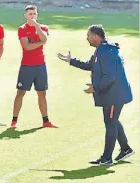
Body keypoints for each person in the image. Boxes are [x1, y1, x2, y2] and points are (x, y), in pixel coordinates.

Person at [58, 24, 135, 165]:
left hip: (114, 95)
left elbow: (109, 76)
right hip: (113, 93)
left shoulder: (106, 51)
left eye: (88, 35)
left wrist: (95, 87)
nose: (86, 38)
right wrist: (71, 61)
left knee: (110, 122)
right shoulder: (102, 49)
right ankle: (125, 149)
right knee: (113, 120)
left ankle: (107, 158)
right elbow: (90, 65)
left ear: (95, 36)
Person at [11, 5, 57, 129]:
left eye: (34, 14)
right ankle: (14, 121)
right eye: (30, 14)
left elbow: (44, 38)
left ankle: (46, 120)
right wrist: (41, 43)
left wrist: (37, 26)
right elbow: (27, 47)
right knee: (20, 92)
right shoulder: (22, 29)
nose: (32, 16)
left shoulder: (43, 28)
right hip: (27, 66)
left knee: (42, 93)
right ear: (25, 15)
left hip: (40, 66)